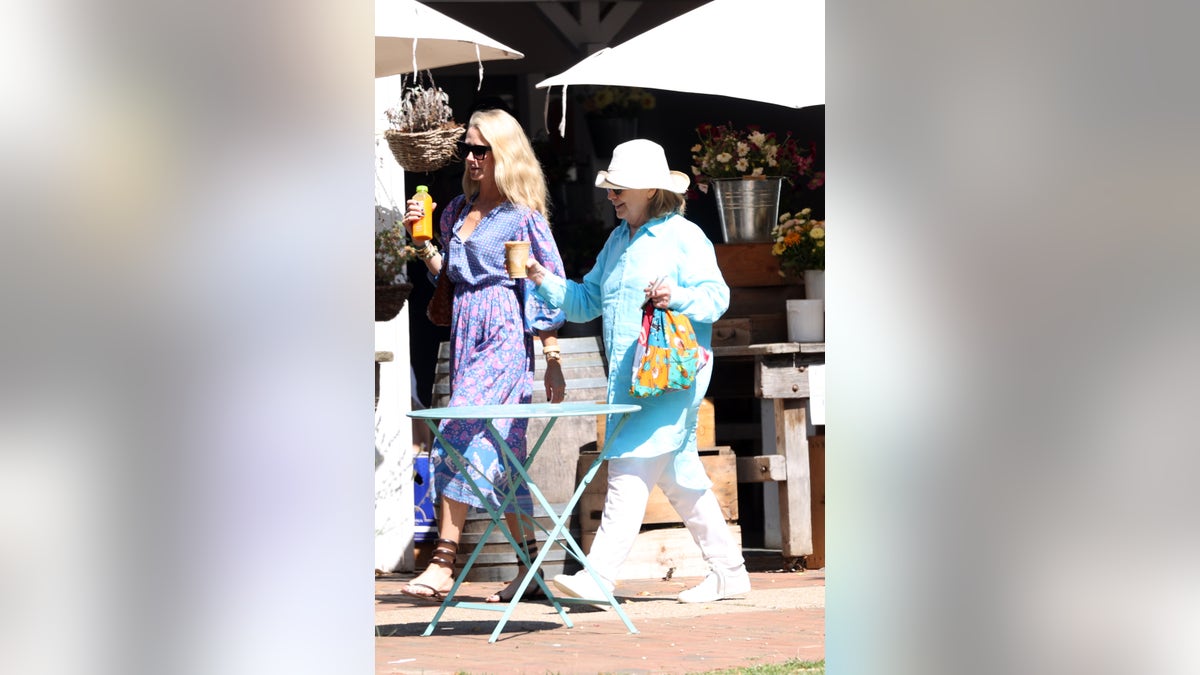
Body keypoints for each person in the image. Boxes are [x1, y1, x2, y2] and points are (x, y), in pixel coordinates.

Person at [524, 139, 750, 604]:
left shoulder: (686, 237)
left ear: (649, 190)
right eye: (610, 189)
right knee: (680, 477)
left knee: (628, 466)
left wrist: (678, 296)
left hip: (670, 377)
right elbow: (586, 301)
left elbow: (717, 299)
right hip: (634, 380)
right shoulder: (617, 240)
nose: (611, 196)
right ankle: (730, 572)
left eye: (618, 188)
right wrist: (538, 277)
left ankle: (600, 572)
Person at [400, 108, 568, 604]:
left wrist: (553, 355)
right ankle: (531, 570)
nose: (472, 158)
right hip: (466, 334)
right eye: (467, 149)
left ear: (505, 153)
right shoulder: (453, 210)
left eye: (482, 149)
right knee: (505, 455)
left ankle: (443, 560)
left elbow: (549, 288)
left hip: (505, 336)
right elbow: (448, 279)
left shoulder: (523, 218)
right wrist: (424, 242)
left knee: (457, 430)